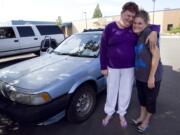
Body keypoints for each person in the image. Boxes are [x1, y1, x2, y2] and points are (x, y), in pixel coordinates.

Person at [100, 2, 160, 128]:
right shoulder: (110, 27)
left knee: (125, 91)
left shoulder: (133, 29)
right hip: (112, 67)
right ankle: (109, 112)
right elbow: (103, 47)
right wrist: (103, 66)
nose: (130, 19)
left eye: (133, 16)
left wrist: (154, 32)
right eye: (128, 15)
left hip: (129, 67)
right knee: (111, 90)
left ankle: (122, 113)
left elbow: (152, 26)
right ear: (122, 13)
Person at [131, 10, 163, 133]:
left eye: (140, 23)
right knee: (142, 99)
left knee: (150, 100)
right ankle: (141, 116)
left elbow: (156, 56)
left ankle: (146, 120)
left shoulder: (148, 34)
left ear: (146, 24)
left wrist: (151, 77)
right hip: (140, 76)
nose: (136, 25)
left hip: (152, 76)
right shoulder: (138, 35)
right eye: (135, 23)